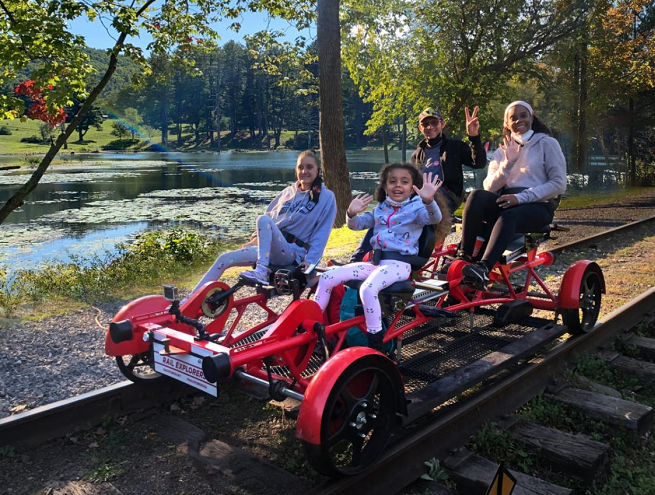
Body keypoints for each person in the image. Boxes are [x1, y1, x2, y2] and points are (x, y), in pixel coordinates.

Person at [313, 163, 442, 350]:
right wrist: (351, 213)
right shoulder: (382, 208)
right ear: (384, 186)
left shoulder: (417, 209)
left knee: (367, 289)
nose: (398, 185)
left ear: (413, 186)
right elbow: (357, 225)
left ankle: (375, 340)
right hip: (376, 263)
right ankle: (312, 326)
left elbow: (434, 218)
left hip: (399, 265)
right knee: (327, 277)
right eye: (392, 181)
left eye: (404, 182)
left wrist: (429, 200)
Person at [186, 150, 336, 298]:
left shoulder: (326, 197)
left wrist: (311, 261)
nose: (304, 171)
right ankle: (189, 301)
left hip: (291, 253)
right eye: (300, 167)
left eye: (309, 167)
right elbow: (269, 219)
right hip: (268, 250)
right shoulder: (287, 193)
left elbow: (322, 233)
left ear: (318, 169)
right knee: (224, 258)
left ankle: (262, 271)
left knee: (262, 220)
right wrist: (253, 241)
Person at [349, 106, 486, 262]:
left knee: (420, 203)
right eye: (425, 124)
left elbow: (479, 163)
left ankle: (406, 258)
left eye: (434, 122)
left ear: (442, 123)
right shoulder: (417, 154)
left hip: (446, 196)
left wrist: (474, 137)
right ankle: (357, 258)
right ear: (420, 128)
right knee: (385, 213)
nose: (430, 127)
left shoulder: (454, 146)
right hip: (418, 199)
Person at [459, 101, 566, 290]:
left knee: (508, 214)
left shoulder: (547, 143)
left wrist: (521, 198)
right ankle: (463, 258)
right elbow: (489, 188)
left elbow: (558, 184)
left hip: (538, 206)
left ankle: (483, 269)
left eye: (523, 115)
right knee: (476, 196)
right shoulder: (501, 151)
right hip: (506, 201)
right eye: (513, 118)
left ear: (531, 117)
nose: (519, 120)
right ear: (506, 124)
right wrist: (508, 163)